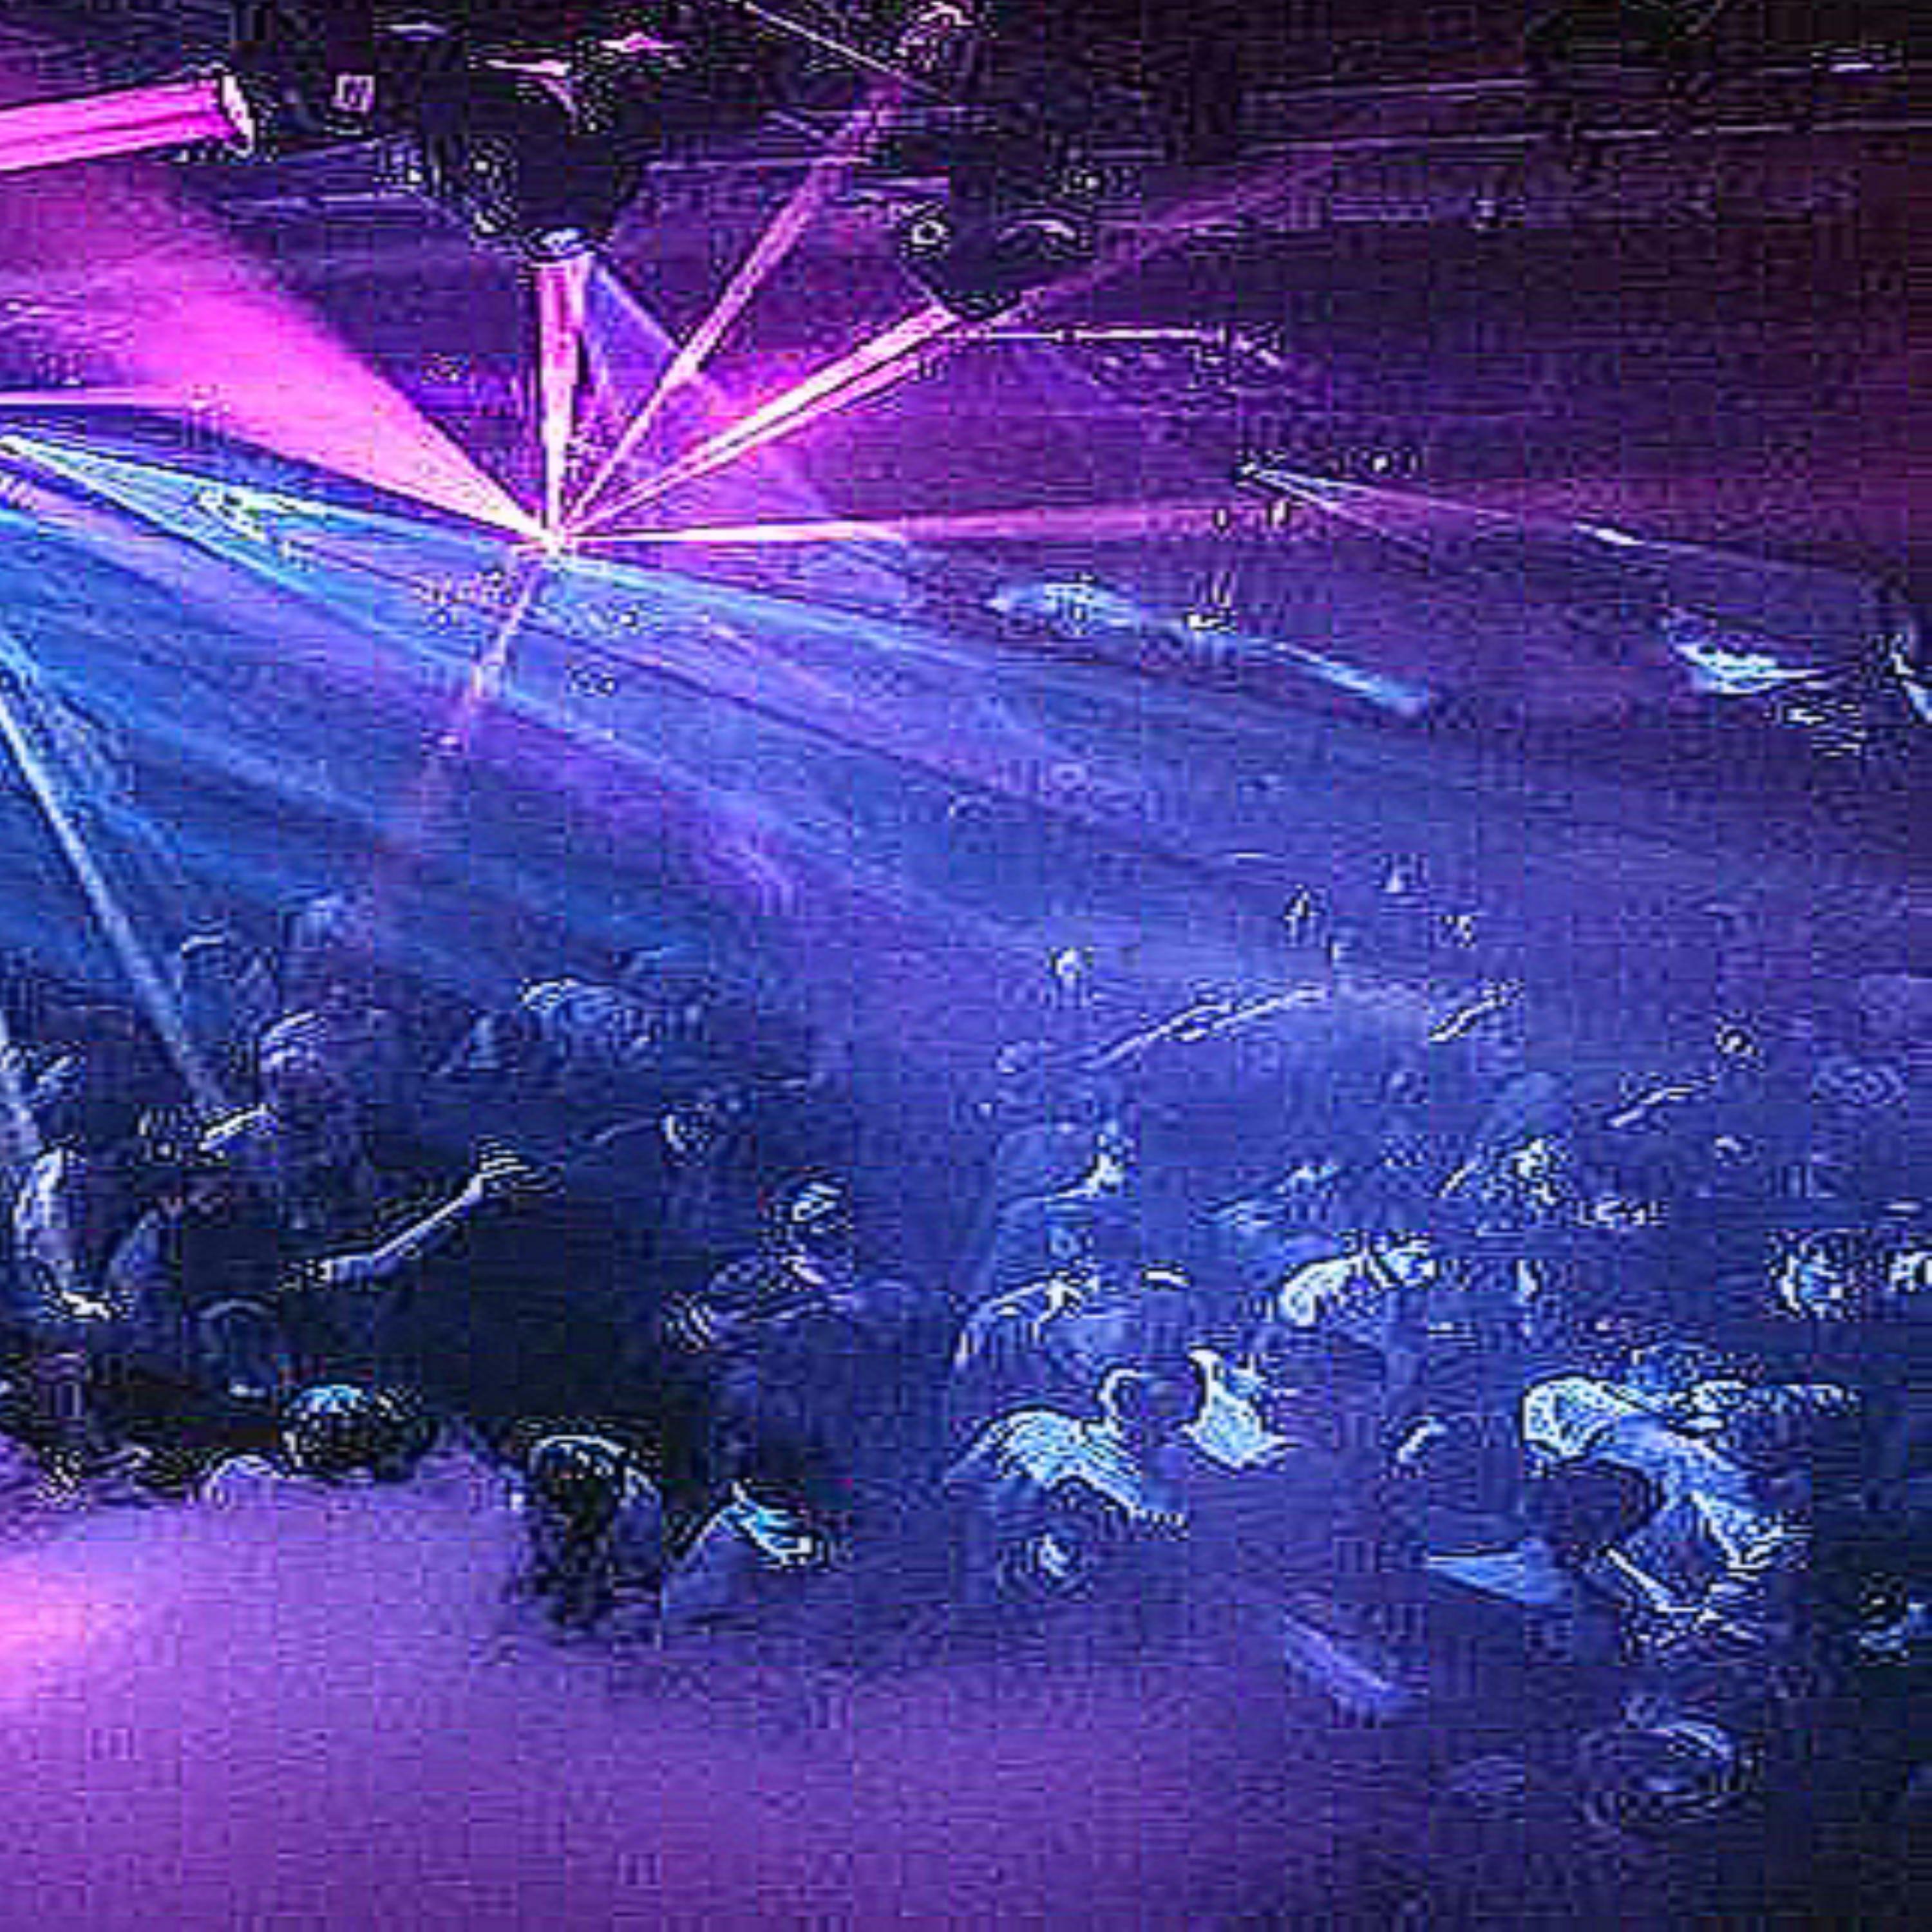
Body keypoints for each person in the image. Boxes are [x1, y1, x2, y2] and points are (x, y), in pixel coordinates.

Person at [511, 1432, 666, 1638]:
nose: (567, 1482)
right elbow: (520, 1573)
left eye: (575, 1478)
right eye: (560, 1480)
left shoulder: (638, 1507)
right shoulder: (521, 1515)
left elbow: (638, 1575)